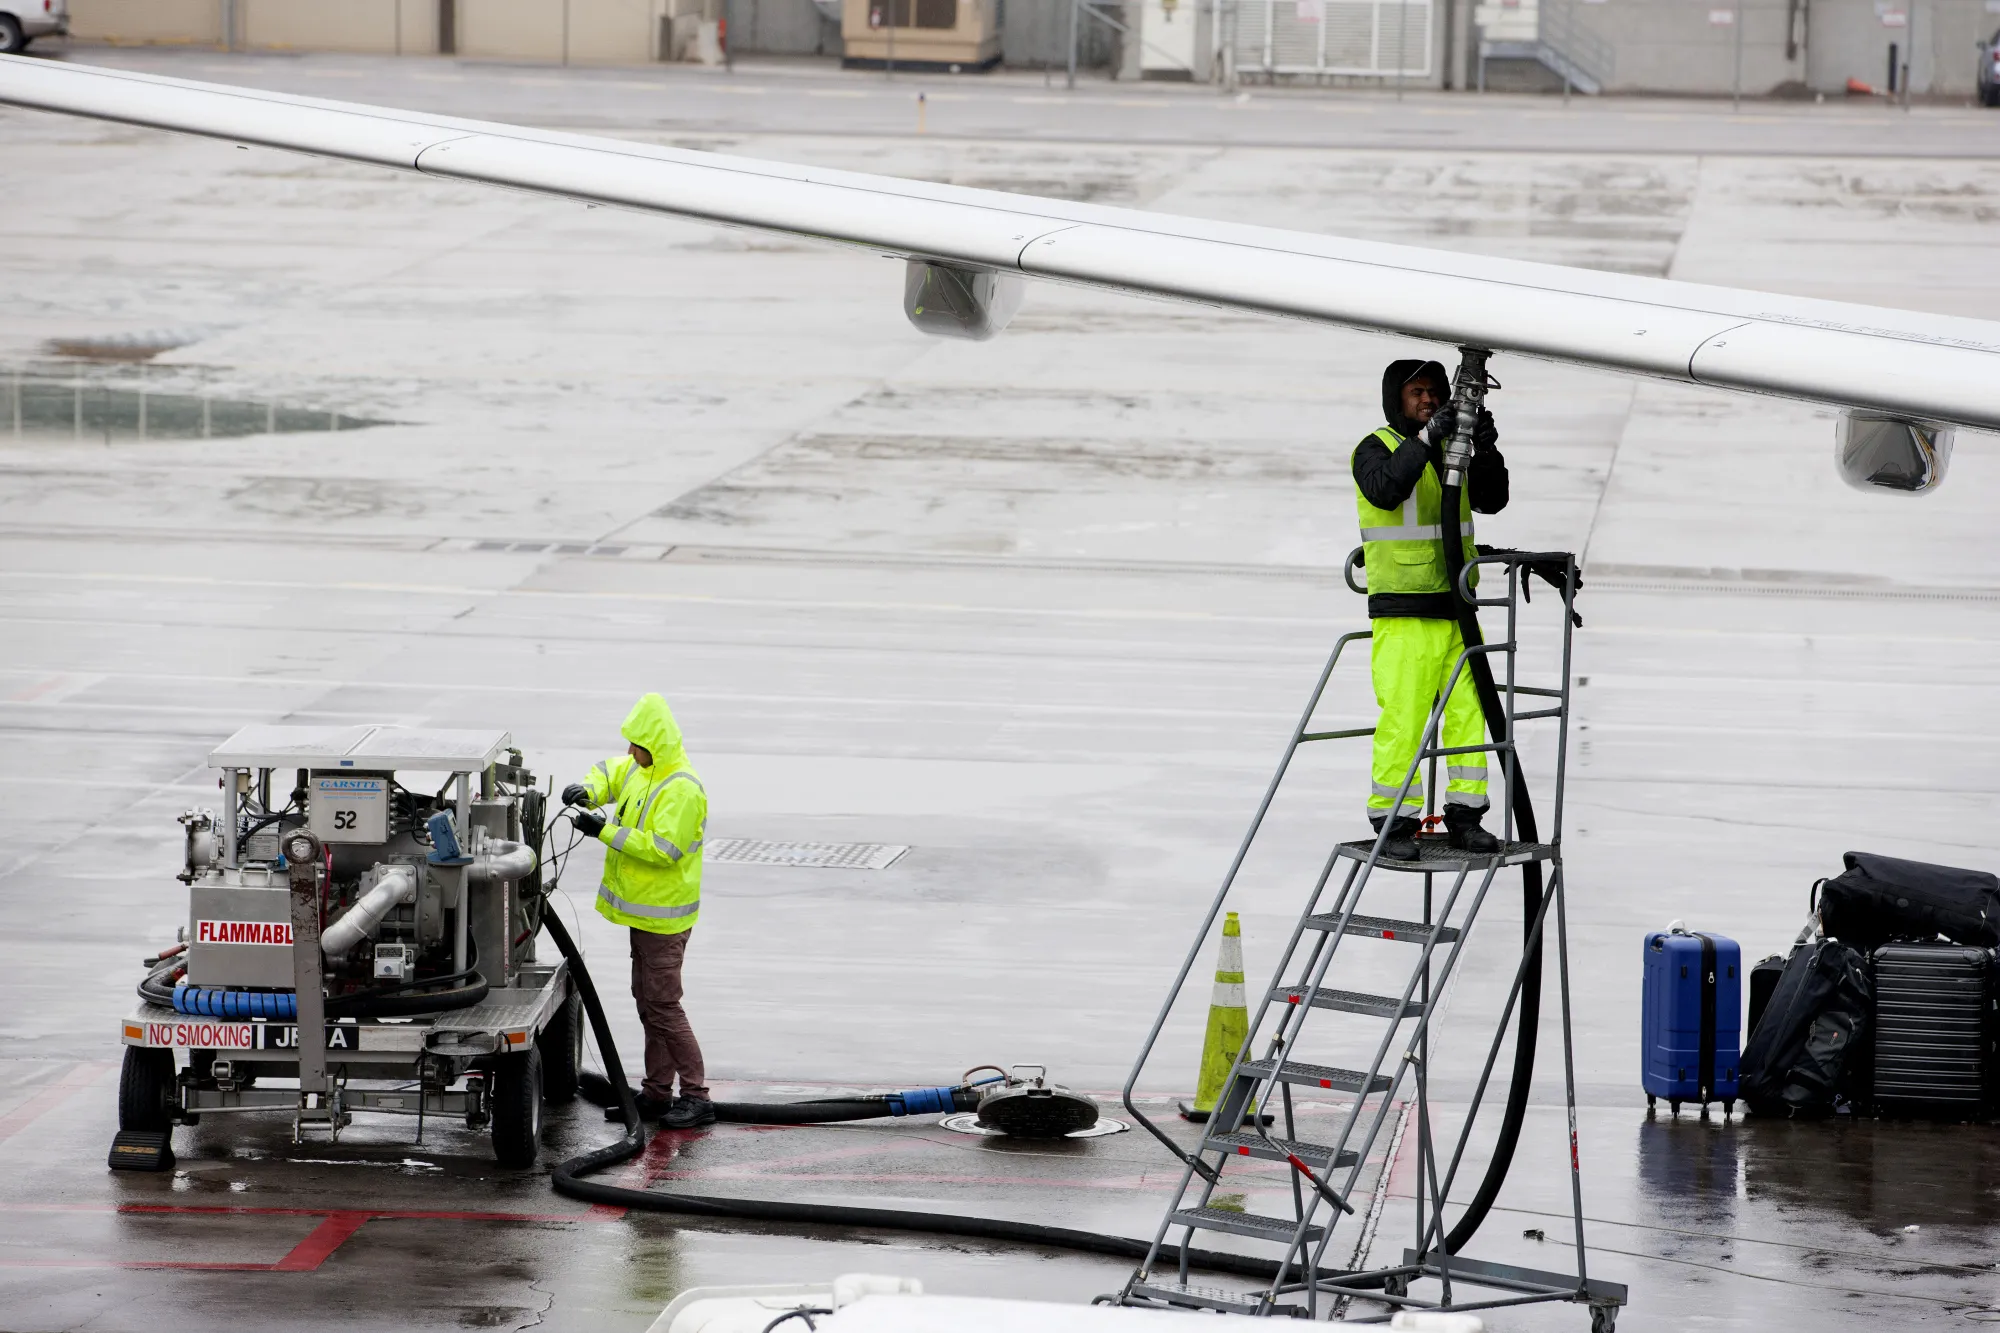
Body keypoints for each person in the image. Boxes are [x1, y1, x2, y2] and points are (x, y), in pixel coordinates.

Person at [1351, 359, 1510, 861]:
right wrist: (1427, 441)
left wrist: (1483, 447)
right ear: (1395, 400)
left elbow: (1492, 500)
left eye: (1435, 392)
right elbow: (1385, 489)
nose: (1428, 400)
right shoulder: (1376, 448)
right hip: (1404, 615)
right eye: (1416, 392)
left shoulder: (1451, 450)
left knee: (1469, 716)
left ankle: (1466, 816)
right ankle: (1394, 820)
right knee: (1405, 718)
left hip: (1457, 608)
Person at [562, 692, 713, 1129]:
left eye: (636, 744)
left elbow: (662, 850)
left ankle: (697, 1096)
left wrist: (603, 830)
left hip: (664, 921)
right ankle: (656, 1094)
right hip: (646, 918)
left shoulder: (680, 789)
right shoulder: (643, 769)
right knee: (649, 1004)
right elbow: (609, 773)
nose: (629, 751)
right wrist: (587, 790)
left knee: (663, 1007)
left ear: (656, 744)